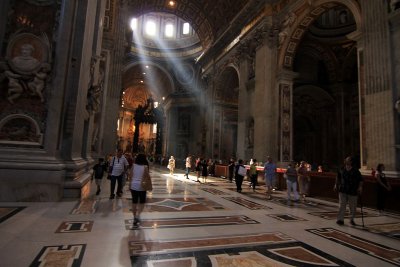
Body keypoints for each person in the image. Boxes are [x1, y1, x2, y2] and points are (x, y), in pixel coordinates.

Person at [334, 156, 363, 226]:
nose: (345, 160)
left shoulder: (355, 170)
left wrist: (360, 187)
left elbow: (361, 180)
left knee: (352, 206)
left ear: (351, 162)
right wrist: (335, 185)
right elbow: (338, 177)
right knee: (342, 205)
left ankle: (351, 219)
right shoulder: (341, 169)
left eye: (347, 160)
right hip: (343, 189)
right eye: (345, 159)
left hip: (352, 190)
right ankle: (340, 219)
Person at [129, 153, 152, 228]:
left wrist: (130, 185)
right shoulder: (145, 167)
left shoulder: (133, 166)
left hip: (133, 185)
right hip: (142, 186)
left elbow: (130, 176)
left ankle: (134, 217)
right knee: (142, 202)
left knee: (134, 201)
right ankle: (138, 215)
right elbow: (147, 177)